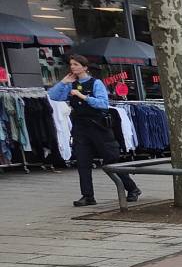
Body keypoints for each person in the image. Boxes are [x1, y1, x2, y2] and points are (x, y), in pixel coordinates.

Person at [47, 54, 141, 207]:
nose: (72, 67)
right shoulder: (71, 84)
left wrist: (83, 97)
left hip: (98, 127)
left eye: (76, 64)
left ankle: (132, 188)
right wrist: (64, 82)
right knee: (83, 162)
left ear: (85, 67)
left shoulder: (96, 83)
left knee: (111, 161)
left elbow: (103, 104)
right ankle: (87, 196)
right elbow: (53, 96)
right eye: (71, 64)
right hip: (80, 128)